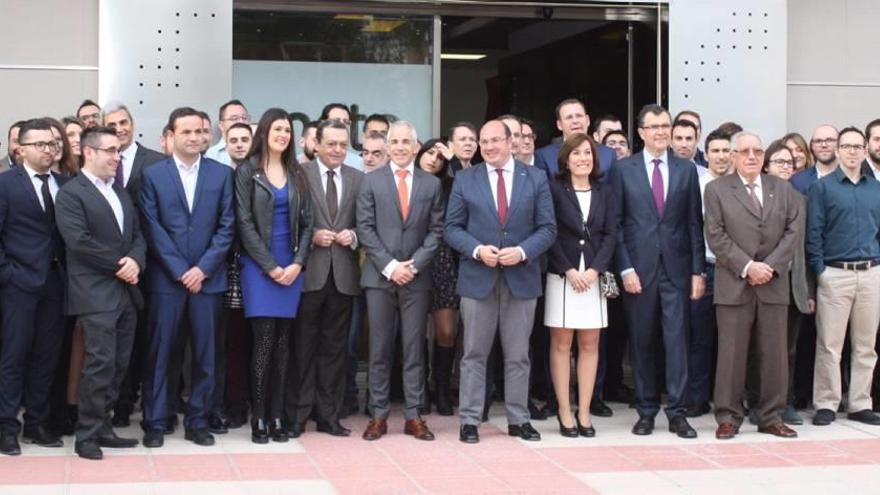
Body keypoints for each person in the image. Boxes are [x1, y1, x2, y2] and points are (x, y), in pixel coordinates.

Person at [445, 120, 556, 444]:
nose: (489, 146)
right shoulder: (465, 179)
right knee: (474, 354)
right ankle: (469, 420)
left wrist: (522, 252)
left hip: (521, 277)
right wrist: (478, 250)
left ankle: (518, 419)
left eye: (495, 140)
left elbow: (548, 228)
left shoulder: (535, 178)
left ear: (511, 142)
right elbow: (451, 228)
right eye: (484, 141)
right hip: (478, 277)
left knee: (518, 354)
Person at [139, 107, 235, 448]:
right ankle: (155, 420)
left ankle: (198, 420)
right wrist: (181, 270)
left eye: (200, 132)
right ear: (171, 136)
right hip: (167, 281)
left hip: (208, 280)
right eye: (187, 132)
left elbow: (227, 227)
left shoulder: (222, 174)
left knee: (205, 355)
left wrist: (202, 269)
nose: (195, 138)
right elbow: (152, 228)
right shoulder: (153, 175)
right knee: (161, 353)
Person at [609, 104, 705, 438]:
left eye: (666, 126)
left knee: (677, 342)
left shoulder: (686, 169)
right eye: (655, 127)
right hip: (639, 271)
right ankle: (646, 410)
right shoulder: (623, 170)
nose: (662, 132)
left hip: (677, 272)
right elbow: (616, 225)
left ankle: (678, 413)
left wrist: (697, 272)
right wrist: (625, 268)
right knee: (642, 342)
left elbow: (694, 223)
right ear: (641, 133)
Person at [55, 126, 147, 460]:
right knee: (99, 364)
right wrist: (120, 264)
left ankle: (104, 426)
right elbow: (78, 241)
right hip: (95, 293)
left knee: (119, 364)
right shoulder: (72, 193)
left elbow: (137, 234)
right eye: (109, 150)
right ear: (87, 152)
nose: (116, 156)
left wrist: (135, 259)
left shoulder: (119, 192)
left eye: (118, 150)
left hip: (126, 292)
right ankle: (87, 434)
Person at [704, 131, 800, 440]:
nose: (751, 156)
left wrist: (768, 266)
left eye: (757, 151)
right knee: (731, 353)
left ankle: (770, 416)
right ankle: (729, 416)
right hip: (735, 283)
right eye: (744, 151)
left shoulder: (782, 189)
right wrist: (748, 266)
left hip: (773, 284)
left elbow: (793, 231)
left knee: (774, 353)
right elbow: (716, 236)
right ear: (732, 156)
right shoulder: (716, 190)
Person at [357, 120, 444, 442]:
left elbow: (437, 230)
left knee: (413, 349)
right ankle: (378, 415)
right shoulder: (371, 181)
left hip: (417, 279)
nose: (400, 147)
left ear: (416, 146)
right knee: (379, 349)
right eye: (395, 141)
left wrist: (415, 264)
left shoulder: (431, 184)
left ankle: (413, 415)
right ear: (388, 145)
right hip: (380, 278)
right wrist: (391, 266)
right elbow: (364, 228)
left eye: (406, 141)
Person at [235, 108, 312, 443]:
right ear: (264, 132)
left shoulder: (297, 172)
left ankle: (278, 415)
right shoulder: (247, 171)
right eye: (277, 128)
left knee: (284, 345)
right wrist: (270, 265)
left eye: (288, 130)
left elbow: (309, 223)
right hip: (259, 267)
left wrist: (297, 263)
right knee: (263, 342)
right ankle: (259, 418)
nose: (283, 134)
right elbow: (244, 223)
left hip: (291, 266)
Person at [286, 119, 363, 438]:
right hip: (308, 274)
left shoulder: (358, 178)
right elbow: (286, 221)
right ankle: (298, 415)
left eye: (343, 145)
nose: (337, 150)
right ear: (315, 144)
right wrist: (311, 236)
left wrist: (355, 235)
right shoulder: (298, 174)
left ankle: (328, 415)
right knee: (302, 349)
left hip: (344, 275)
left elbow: (368, 223)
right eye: (331, 144)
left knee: (334, 350)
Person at [0, 119, 69, 456]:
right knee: (13, 357)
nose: (47, 149)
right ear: (21, 149)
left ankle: (37, 423)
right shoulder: (6, 184)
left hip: (57, 285)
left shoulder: (64, 183)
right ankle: (6, 426)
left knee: (47, 356)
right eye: (39, 144)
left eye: (51, 144)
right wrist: (9, 274)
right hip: (18, 286)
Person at [806, 126, 880, 427]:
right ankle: (826, 402)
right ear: (837, 151)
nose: (852, 151)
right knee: (829, 345)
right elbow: (814, 234)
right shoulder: (822, 188)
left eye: (857, 146)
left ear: (864, 151)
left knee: (866, 345)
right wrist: (821, 271)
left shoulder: (875, 188)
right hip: (835, 274)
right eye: (846, 146)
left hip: (871, 273)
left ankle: (860, 403)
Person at [101, 102, 168, 428]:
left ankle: (146, 402)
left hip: (151, 266)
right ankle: (120, 405)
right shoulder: (98, 167)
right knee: (113, 342)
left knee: (145, 339)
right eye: (112, 124)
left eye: (124, 122)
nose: (119, 128)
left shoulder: (156, 162)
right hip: (109, 270)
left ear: (133, 123)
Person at [545, 134, 616, 438]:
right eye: (576, 154)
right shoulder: (553, 189)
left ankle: (584, 411)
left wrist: (596, 268)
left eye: (588, 153)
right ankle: (564, 410)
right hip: (564, 276)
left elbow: (612, 234)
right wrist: (569, 269)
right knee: (562, 345)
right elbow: (549, 231)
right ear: (566, 159)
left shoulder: (605, 191)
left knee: (590, 345)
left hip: (593, 277)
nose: (583, 158)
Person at [761, 140, 815, 426]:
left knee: (788, 348)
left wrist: (808, 289)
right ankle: (759, 399)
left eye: (789, 163)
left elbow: (807, 249)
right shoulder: (755, 198)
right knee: (760, 347)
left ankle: (786, 401)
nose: (785, 167)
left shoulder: (802, 201)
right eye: (779, 162)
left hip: (793, 284)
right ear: (766, 165)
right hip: (762, 282)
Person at [686, 130, 732, 419]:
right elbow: (691, 229)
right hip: (706, 267)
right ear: (707, 154)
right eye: (715, 151)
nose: (721, 156)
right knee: (700, 337)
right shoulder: (698, 185)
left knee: (732, 339)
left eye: (726, 150)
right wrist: (696, 271)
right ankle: (698, 397)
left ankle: (728, 398)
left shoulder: (743, 186)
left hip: (736, 271)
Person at [415, 139, 459, 416]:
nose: (434, 159)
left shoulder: (451, 187)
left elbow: (468, 189)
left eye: (440, 157)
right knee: (415, 331)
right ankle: (419, 390)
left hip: (443, 262)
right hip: (414, 261)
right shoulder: (409, 182)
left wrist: (453, 161)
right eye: (430, 153)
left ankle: (441, 387)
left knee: (446, 331)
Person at [534, 98, 616, 181]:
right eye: (569, 117)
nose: (575, 121)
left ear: (587, 120)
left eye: (579, 116)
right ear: (559, 125)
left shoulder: (609, 154)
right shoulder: (544, 156)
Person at [790, 125, 838, 195]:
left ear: (840, 143)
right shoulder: (797, 181)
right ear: (812, 146)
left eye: (829, 140)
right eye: (818, 141)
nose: (824, 145)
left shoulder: (852, 177)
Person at [205, 99, 250, 166]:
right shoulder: (210, 155)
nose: (241, 122)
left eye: (244, 118)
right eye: (234, 118)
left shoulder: (258, 151)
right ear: (221, 126)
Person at [320, 103, 363, 170]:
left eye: (346, 122)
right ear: (322, 123)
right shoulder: (304, 161)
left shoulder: (358, 163)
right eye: (336, 121)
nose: (342, 125)